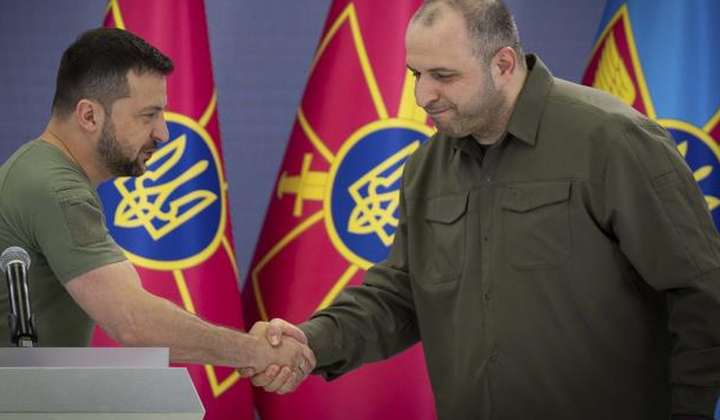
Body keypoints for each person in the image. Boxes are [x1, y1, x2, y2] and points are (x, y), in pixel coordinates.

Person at [242, 0, 720, 418]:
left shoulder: (612, 141)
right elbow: (402, 295)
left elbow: (700, 290)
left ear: (504, 64)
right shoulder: (427, 167)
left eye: (444, 76)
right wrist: (313, 341)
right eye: (416, 75)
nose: (423, 96)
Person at [0, 28, 314, 377]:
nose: (163, 133)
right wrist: (252, 351)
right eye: (149, 115)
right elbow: (133, 321)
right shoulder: (54, 188)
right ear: (89, 115)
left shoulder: (47, 172)